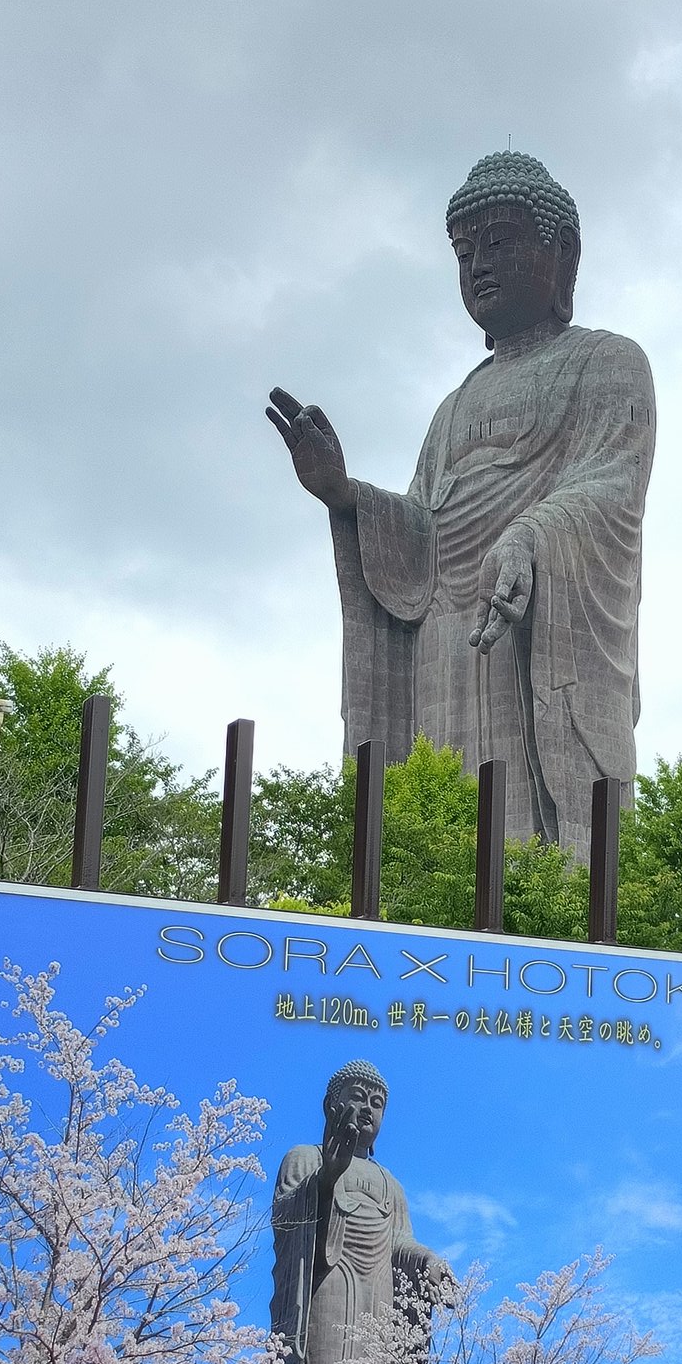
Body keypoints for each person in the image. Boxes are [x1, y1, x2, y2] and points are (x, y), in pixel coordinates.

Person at [268, 150, 655, 861]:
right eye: (464, 251)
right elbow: (422, 531)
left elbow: (610, 484)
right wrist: (346, 495)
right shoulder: (452, 408)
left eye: (500, 243)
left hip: (533, 631)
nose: (478, 265)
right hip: (445, 646)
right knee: (444, 829)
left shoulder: (607, 361)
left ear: (562, 254)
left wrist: (529, 536)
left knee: (538, 849)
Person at [262, 1058, 449, 1364]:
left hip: (378, 1300)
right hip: (325, 1291)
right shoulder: (304, 1157)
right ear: (332, 1106)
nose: (367, 1109)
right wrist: (326, 1179)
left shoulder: (390, 1184)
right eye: (359, 1098)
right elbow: (286, 1218)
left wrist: (428, 1260)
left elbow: (399, 1242)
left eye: (377, 1104)